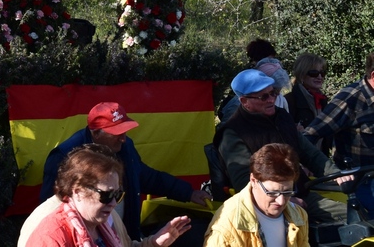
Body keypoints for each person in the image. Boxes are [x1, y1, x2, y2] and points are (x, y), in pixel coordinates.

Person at [40, 102, 208, 239]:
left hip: (123, 236)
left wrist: (188, 193)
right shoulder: (64, 157)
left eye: (125, 130)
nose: (123, 138)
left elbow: (145, 177)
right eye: (117, 133)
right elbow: (51, 208)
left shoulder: (125, 146)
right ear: (96, 133)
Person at [214, 68, 345, 223]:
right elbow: (244, 182)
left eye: (273, 92)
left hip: (300, 193)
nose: (271, 99)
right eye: (263, 96)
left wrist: (339, 176)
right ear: (244, 102)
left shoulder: (282, 116)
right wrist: (286, 202)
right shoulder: (232, 132)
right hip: (268, 206)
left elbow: (310, 154)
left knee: (359, 213)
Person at [25, 144, 192, 247]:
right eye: (106, 195)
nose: (113, 203)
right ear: (77, 191)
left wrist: (154, 243)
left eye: (117, 194)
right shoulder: (50, 236)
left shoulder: (105, 220)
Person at [203, 143, 309, 247]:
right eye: (272, 193)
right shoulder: (228, 223)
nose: (281, 201)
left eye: (287, 192)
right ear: (253, 181)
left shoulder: (298, 215)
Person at [285, 53, 328, 130]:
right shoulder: (289, 101)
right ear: (302, 75)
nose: (319, 77)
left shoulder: (322, 100)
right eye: (314, 73)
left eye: (322, 73)